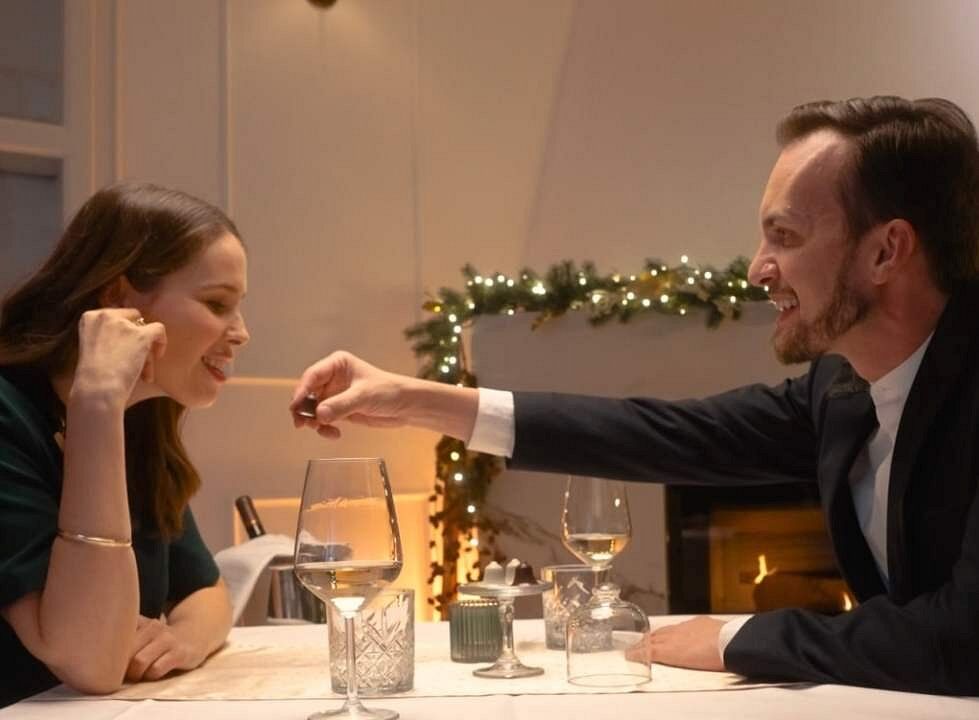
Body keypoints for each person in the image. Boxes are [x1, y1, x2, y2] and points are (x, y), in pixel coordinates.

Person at [290, 96, 979, 695]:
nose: (756, 269)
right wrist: (419, 401)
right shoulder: (841, 389)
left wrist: (732, 639)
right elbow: (669, 434)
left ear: (886, 251)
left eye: (785, 236)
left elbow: (963, 639)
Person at [0, 183, 250, 706]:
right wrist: (96, 404)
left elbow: (205, 591)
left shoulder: (142, 419)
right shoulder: (12, 416)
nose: (241, 332)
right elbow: (89, 659)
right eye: (216, 304)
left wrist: (182, 641)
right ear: (118, 298)